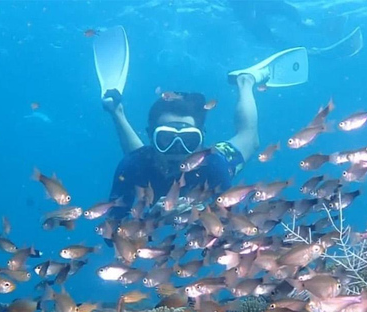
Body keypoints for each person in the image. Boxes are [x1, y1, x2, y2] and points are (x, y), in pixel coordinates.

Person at [102, 73, 261, 220]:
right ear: (151, 136)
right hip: (147, 159)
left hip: (210, 158)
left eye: (188, 140)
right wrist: (149, 220)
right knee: (138, 160)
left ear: (201, 139)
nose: (177, 150)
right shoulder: (132, 164)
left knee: (249, 137)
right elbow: (112, 228)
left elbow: (231, 221)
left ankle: (245, 81)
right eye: (165, 139)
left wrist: (200, 216)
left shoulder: (214, 165)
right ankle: (117, 112)